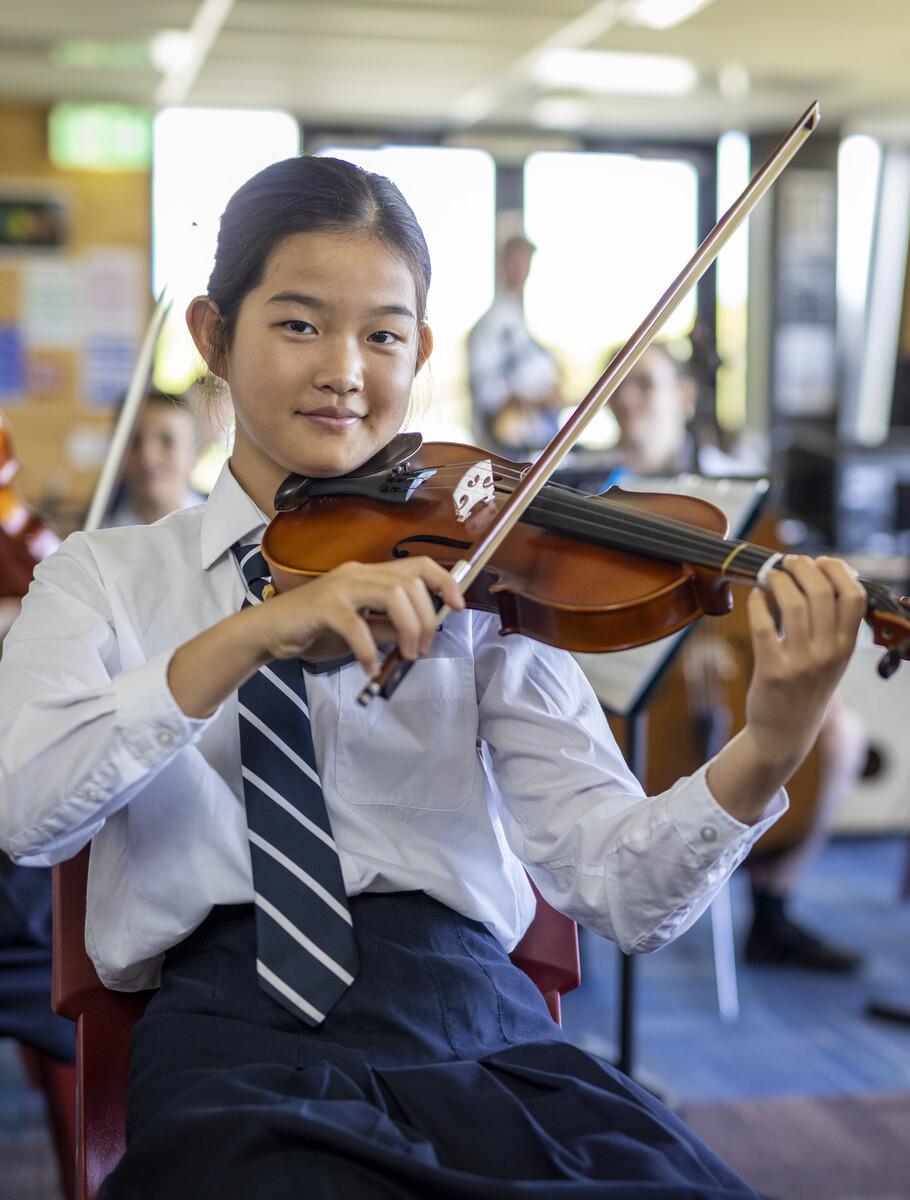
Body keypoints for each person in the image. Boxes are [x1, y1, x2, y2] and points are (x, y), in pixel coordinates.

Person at [0, 157, 867, 1199]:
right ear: (211, 335)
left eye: (383, 334)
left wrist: (770, 742)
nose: (344, 371)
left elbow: (627, 893)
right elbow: (27, 815)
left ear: (421, 351)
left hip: (474, 1031)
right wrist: (249, 638)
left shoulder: (480, 580)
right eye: (298, 324)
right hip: (233, 1042)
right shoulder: (105, 575)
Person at [604, 342, 866, 973]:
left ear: (685, 396)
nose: (629, 399)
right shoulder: (598, 490)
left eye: (645, 384)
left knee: (839, 733)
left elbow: (774, 591)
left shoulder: (739, 490)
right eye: (620, 387)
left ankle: (772, 911)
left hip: (729, 664)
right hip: (633, 675)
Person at [467, 233, 564, 459]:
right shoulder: (490, 326)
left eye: (526, 262)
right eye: (516, 261)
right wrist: (539, 398)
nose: (522, 270)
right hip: (506, 450)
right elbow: (488, 393)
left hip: (535, 445)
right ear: (502, 264)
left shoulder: (521, 323)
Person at [106, 387, 206, 527]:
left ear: (196, 453)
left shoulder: (226, 532)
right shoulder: (95, 538)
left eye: (167, 441)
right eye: (135, 441)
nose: (147, 458)